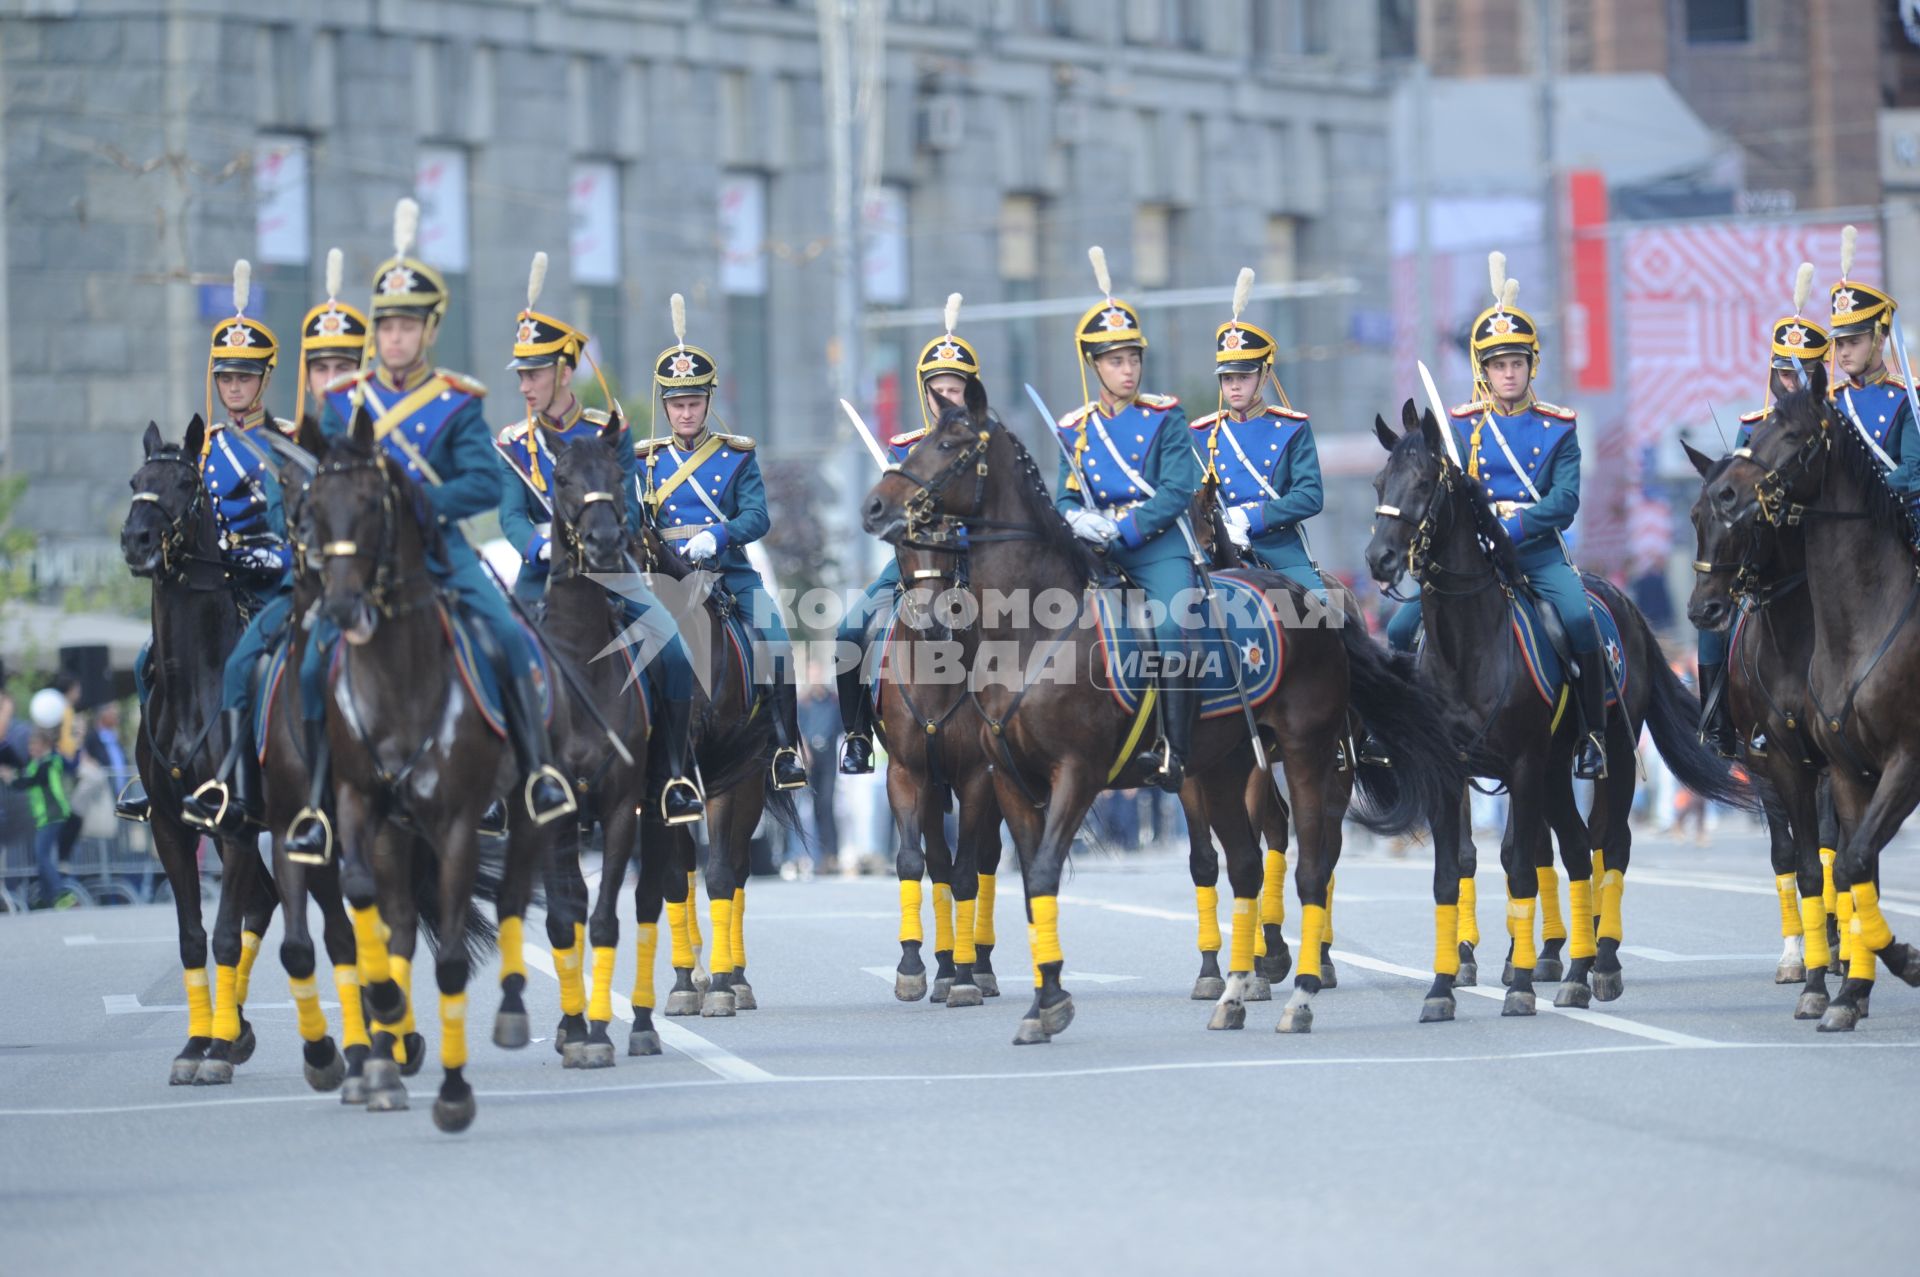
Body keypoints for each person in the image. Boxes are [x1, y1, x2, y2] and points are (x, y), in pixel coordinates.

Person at [285, 200, 574, 863]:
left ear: (429, 328)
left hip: (438, 553)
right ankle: (318, 804)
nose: (394, 338)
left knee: (510, 638)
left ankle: (536, 776)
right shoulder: (341, 403)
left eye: (407, 326)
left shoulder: (456, 401)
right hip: (360, 565)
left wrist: (421, 499)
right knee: (307, 665)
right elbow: (324, 483)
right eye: (386, 325)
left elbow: (479, 483)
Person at [493, 253, 701, 824]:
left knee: (675, 650)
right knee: (491, 654)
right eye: (521, 374)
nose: (525, 384)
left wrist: (615, 540)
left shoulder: (605, 432)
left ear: (564, 371)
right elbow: (510, 514)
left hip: (612, 571)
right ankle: (500, 784)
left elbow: (630, 503)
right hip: (544, 577)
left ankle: (672, 776)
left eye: (535, 372)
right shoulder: (513, 442)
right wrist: (533, 546)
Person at [1385, 252, 1607, 779]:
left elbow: (1565, 501)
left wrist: (1513, 524)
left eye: (1517, 364)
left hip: (1536, 553)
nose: (1508, 374)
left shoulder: (1559, 426)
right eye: (1498, 365)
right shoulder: (1459, 427)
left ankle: (1592, 734)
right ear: (1483, 371)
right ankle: (1399, 734)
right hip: (1474, 561)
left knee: (1579, 618)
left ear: (1532, 365)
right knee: (1397, 629)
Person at [637, 293, 807, 791]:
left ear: (708, 400)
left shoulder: (736, 457)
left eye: (693, 403)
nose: (685, 413)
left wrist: (720, 533)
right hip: (661, 576)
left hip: (726, 572)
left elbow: (757, 516)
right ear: (665, 405)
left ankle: (781, 748)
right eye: (676, 404)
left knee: (774, 640)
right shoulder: (643, 460)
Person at [151, 261, 296, 832]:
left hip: (267, 591)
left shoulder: (285, 445)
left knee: (254, 671)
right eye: (226, 379)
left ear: (264, 378)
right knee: (149, 662)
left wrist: (267, 554)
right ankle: (154, 777)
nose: (234, 389)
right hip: (211, 592)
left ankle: (243, 783)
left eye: (245, 378)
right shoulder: (202, 449)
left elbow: (296, 530)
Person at [1055, 247, 1202, 792]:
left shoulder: (1164, 415)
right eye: (1116, 361)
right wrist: (1077, 522)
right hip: (1096, 551)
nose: (1128, 369)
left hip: (1155, 545)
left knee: (1169, 628)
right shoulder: (1075, 428)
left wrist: (1127, 528)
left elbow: (1177, 490)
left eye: (1134, 358)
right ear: (1094, 366)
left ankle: (1175, 749)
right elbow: (1064, 496)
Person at [836, 292, 980, 774]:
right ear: (924, 392)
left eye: (955, 389)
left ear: (969, 393)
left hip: (972, 564)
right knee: (850, 628)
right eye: (937, 387)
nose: (946, 397)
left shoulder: (987, 448)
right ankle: (856, 735)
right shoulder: (905, 450)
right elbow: (882, 521)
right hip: (913, 569)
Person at [1698, 263, 1829, 758]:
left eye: (1800, 373)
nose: (1788, 381)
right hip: (1766, 555)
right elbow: (1734, 496)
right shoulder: (1751, 427)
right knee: (1715, 621)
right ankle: (1715, 721)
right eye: (1781, 370)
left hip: (1817, 549)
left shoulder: (1830, 424)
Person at [1191, 268, 1324, 595]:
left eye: (1244, 377)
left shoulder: (1292, 428)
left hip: (1279, 548)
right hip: (1217, 547)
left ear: (1264, 375)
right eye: (1227, 378)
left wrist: (1253, 516)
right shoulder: (1203, 433)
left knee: (1326, 615)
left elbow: (1310, 496)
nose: (1234, 386)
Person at [1828, 224, 1919, 519]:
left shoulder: (1907, 397)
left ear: (1879, 340)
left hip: (1897, 513)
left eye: (1853, 342)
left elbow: (1912, 471)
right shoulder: (1831, 401)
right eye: (1840, 343)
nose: (1844, 352)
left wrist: (1861, 491)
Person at [295, 246, 370, 430]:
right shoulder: (292, 443)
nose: (331, 381)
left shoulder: (384, 438)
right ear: (307, 380)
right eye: (321, 369)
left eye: (342, 368)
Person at [13, 728, 77, 908]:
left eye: (35, 744)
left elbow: (30, 781)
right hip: (44, 818)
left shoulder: (48, 764)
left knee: (42, 855)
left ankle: (60, 893)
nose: (31, 748)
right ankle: (46, 896)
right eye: (30, 745)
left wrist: (11, 779)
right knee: (41, 856)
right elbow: (25, 780)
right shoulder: (37, 764)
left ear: (45, 745)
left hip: (53, 816)